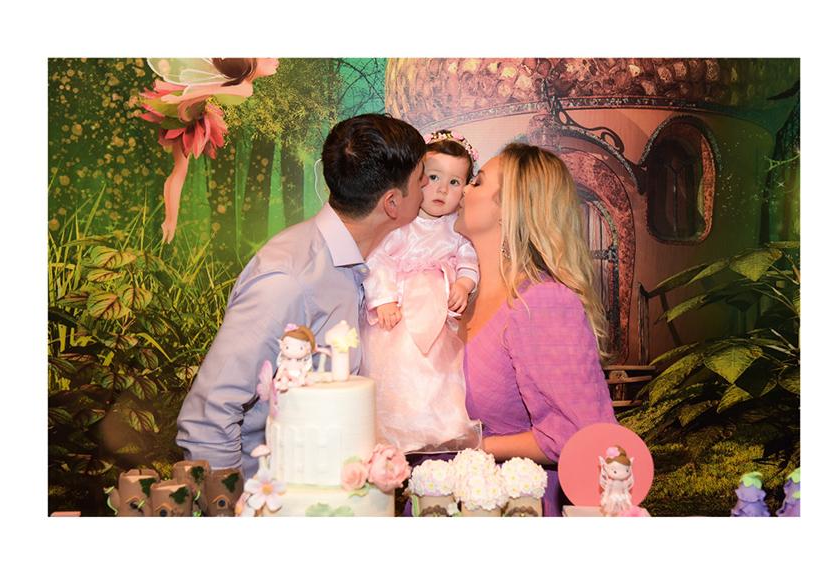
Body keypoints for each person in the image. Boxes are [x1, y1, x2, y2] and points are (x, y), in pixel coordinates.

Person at [176, 114, 427, 479]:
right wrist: (234, 503)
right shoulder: (290, 278)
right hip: (271, 494)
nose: (426, 189)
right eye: (421, 179)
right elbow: (208, 417)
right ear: (392, 202)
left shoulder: (363, 264)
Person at [454, 142, 617, 516]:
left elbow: (579, 432)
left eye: (477, 182)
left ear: (508, 207)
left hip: (516, 506)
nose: (462, 190)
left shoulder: (541, 302)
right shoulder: (460, 295)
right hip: (450, 498)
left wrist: (473, 446)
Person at [361, 130, 480, 452]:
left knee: (440, 372)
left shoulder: (457, 230)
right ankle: (399, 428)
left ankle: (438, 427)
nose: (442, 189)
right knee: (398, 369)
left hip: (438, 321)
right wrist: (384, 299)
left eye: (454, 182)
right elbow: (378, 259)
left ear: (464, 190)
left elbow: (469, 260)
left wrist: (464, 284)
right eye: (434, 177)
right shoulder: (401, 224)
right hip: (399, 317)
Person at [140, 57, 280, 243]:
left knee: (180, 169)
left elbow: (212, 89)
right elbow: (212, 89)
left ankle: (169, 222)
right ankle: (170, 222)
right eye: (268, 56)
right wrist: (181, 98)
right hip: (186, 110)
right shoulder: (245, 87)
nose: (276, 59)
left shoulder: (239, 81)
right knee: (180, 169)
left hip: (192, 109)